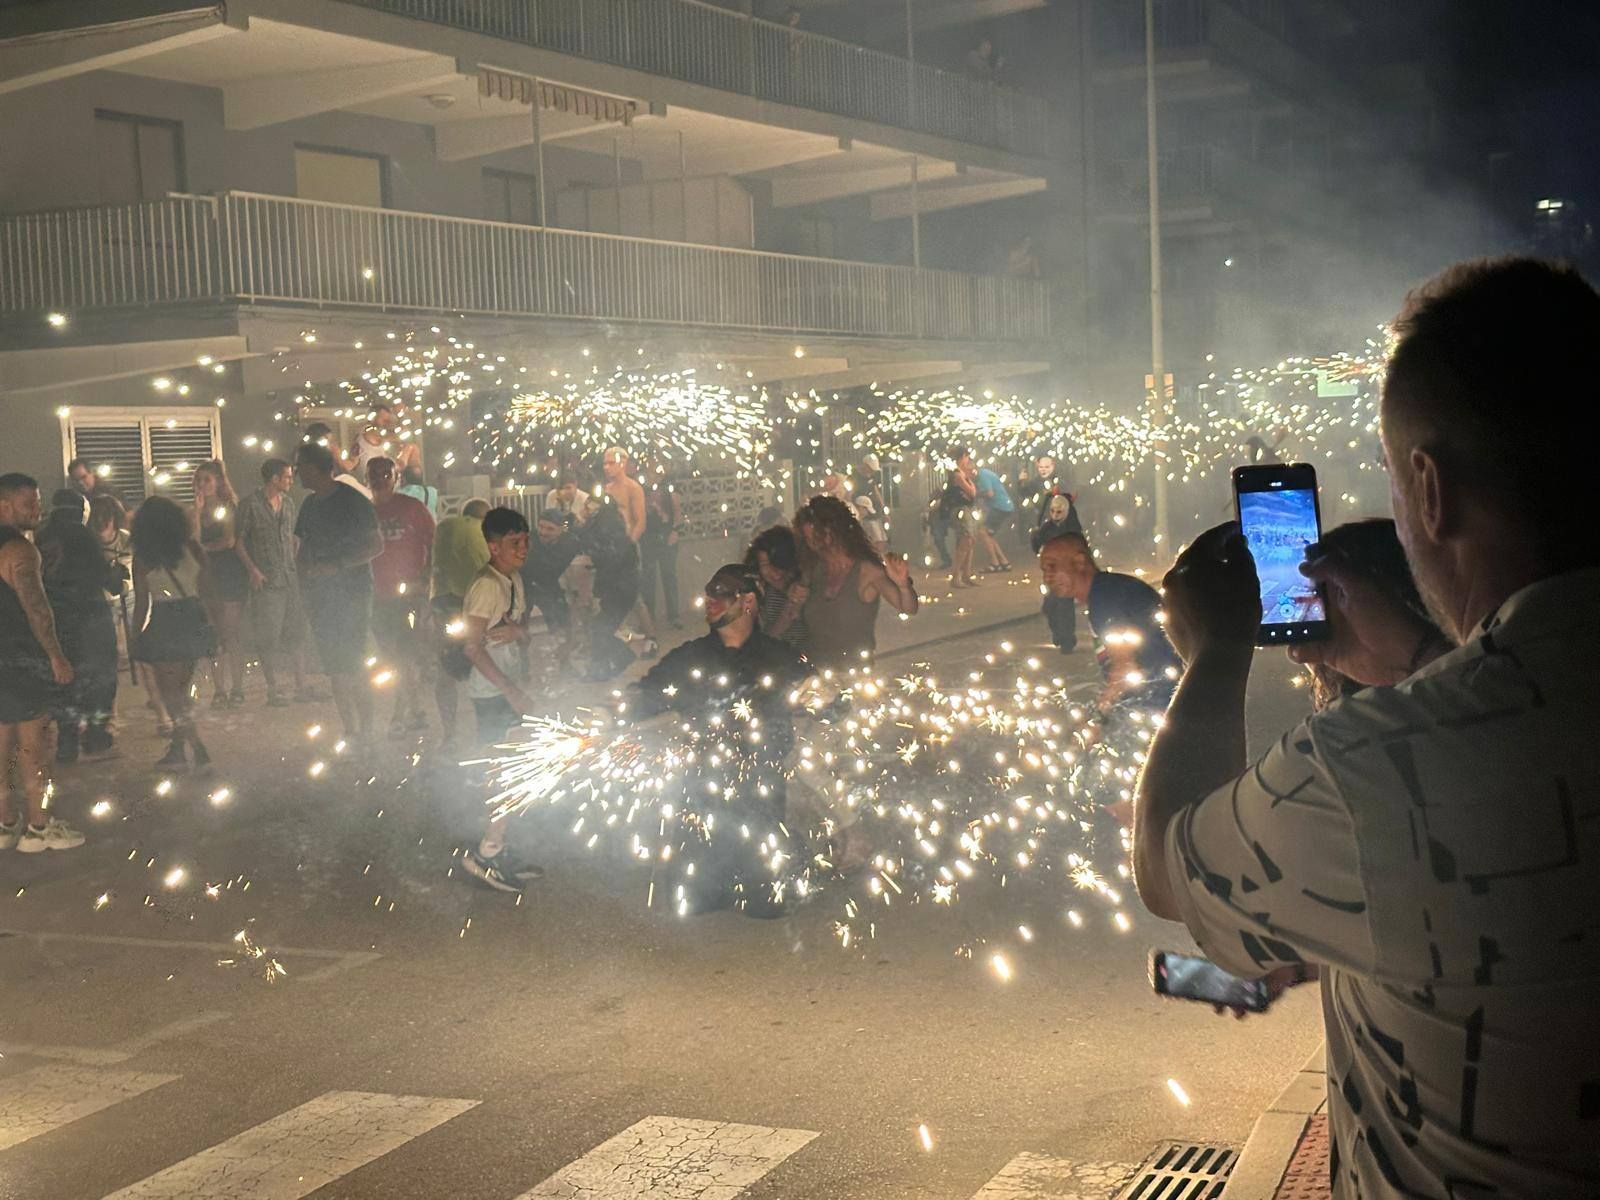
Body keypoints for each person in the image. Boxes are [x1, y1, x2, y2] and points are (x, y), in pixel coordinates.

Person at [1135, 258, 1600, 1199]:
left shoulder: (1378, 770)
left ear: (1430, 488)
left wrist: (1213, 649)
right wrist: (1418, 655)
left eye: (1392, 479)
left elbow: (1166, 865)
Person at [630, 563, 814, 916]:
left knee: (766, 907)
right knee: (694, 901)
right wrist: (615, 710)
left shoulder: (779, 657)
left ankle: (792, 854)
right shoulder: (691, 656)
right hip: (704, 790)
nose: (709, 600)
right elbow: (649, 693)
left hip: (760, 790)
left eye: (721, 592)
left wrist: (828, 699)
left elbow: (827, 700)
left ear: (748, 601)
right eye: (708, 592)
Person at [457, 507, 542, 893]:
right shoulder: (486, 586)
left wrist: (519, 635)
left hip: (506, 690)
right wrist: (511, 690)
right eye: (514, 542)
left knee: (515, 769)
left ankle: (498, 845)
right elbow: (471, 647)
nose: (523, 548)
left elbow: (520, 630)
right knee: (507, 770)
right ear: (493, 547)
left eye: (525, 541)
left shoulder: (513, 579)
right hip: (492, 693)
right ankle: (487, 853)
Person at [0, 473, 84, 853]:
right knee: (35, 743)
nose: (37, 509)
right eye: (28, 503)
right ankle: (39, 826)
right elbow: (37, 609)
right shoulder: (20, 551)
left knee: (2, 742)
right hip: (21, 658)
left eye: (37, 501)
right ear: (4, 505)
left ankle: (5, 823)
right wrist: (55, 655)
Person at [294, 441, 382, 744]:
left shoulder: (352, 501)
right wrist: (302, 578)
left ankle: (367, 730)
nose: (296, 473)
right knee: (335, 668)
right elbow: (302, 544)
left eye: (300, 467)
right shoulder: (309, 504)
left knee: (354, 663)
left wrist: (338, 566)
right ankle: (351, 730)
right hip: (321, 596)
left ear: (315, 469)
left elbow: (376, 545)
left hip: (352, 594)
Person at [1038, 532, 1178, 711]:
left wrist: (1099, 715)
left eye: (1052, 567)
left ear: (1079, 562)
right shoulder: (1108, 589)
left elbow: (1125, 668)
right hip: (1165, 695)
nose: (1047, 578)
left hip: (1161, 700)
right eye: (1044, 571)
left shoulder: (1105, 599)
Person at [129, 495, 216, 771]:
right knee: (181, 691)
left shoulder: (144, 558)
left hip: (165, 622)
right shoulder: (193, 548)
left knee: (171, 695)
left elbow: (142, 604)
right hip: (193, 618)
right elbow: (207, 590)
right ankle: (177, 751)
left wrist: (134, 636)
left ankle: (199, 750)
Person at [37, 489, 121, 762]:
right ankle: (96, 735)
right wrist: (116, 575)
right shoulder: (83, 535)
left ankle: (67, 741)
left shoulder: (42, 535)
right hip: (90, 617)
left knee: (64, 680)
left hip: (56, 618)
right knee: (100, 678)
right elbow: (105, 578)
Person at [792, 495, 917, 669]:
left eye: (818, 536)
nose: (814, 544)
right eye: (808, 539)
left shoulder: (867, 571)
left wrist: (903, 585)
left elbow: (908, 608)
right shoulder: (813, 569)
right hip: (813, 670)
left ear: (837, 531)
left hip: (853, 671)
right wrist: (795, 599)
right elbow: (796, 615)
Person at [235, 458, 312, 707]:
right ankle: (273, 688)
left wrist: (294, 551)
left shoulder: (288, 503)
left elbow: (291, 535)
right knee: (268, 636)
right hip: (267, 579)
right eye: (287, 477)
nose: (291, 481)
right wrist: (253, 570)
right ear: (274, 479)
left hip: (289, 576)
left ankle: (301, 686)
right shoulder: (250, 505)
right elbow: (239, 542)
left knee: (296, 632)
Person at [367, 456, 435, 737]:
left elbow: (434, 542)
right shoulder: (366, 512)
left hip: (409, 595)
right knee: (391, 655)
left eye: (386, 474)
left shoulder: (412, 508)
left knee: (403, 654)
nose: (380, 479)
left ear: (396, 478)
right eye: (375, 474)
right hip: (377, 596)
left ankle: (400, 713)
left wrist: (425, 579)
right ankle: (414, 708)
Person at [431, 498, 490, 744]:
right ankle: (489, 732)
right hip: (478, 613)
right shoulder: (486, 534)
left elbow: (434, 571)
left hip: (447, 609)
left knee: (445, 674)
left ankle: (449, 734)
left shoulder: (445, 529)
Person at [192, 460, 247, 708]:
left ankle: (238, 687)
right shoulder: (196, 511)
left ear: (218, 482)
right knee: (213, 634)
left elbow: (229, 540)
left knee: (230, 633)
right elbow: (193, 540)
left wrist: (205, 549)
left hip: (229, 573)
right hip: (207, 576)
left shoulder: (228, 507)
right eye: (199, 480)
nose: (202, 485)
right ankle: (219, 690)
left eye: (207, 480)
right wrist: (197, 512)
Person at [601, 447, 659, 657]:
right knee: (611, 594)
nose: (607, 467)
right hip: (609, 549)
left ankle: (651, 638)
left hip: (627, 549)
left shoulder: (633, 488)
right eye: (605, 463)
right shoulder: (606, 489)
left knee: (634, 596)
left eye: (611, 463)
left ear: (623, 463)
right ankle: (619, 640)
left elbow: (640, 522)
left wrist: (627, 546)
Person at [577, 497, 642, 681]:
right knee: (600, 628)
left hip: (620, 589)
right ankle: (606, 665)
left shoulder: (614, 537)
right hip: (620, 588)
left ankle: (612, 662)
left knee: (600, 628)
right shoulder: (613, 533)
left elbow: (610, 561)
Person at [1032, 493, 1086, 650]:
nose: (1055, 515)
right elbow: (1037, 546)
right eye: (1053, 511)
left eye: (1059, 512)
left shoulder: (1072, 529)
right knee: (1049, 607)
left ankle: (1067, 640)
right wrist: (1035, 539)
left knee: (1064, 607)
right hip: (1051, 574)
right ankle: (1059, 634)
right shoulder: (1047, 528)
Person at [523, 510, 580, 656]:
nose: (543, 532)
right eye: (541, 527)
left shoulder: (569, 543)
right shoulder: (529, 538)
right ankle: (521, 662)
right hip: (525, 585)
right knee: (519, 627)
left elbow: (551, 570)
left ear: (561, 529)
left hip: (549, 585)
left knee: (562, 624)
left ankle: (565, 660)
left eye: (550, 529)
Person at [745, 524, 806, 647]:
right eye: (765, 565)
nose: (774, 572)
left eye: (778, 563)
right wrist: (789, 609)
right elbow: (763, 643)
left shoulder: (810, 585)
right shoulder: (761, 598)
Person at [639, 466, 683, 629]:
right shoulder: (643, 491)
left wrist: (675, 531)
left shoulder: (670, 491)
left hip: (666, 536)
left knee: (669, 575)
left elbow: (677, 514)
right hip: (648, 537)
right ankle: (649, 616)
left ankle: (674, 615)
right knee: (648, 578)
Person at [940, 450, 981, 588]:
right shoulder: (957, 475)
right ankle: (956, 576)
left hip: (966, 509)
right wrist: (970, 481)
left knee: (970, 541)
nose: (968, 460)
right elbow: (972, 492)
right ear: (962, 457)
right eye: (967, 457)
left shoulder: (961, 474)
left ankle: (966, 575)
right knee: (966, 540)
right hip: (960, 511)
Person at [303, 422, 371, 498]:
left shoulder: (343, 480)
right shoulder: (343, 481)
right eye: (329, 441)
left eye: (332, 441)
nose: (334, 446)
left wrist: (353, 460)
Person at [349, 403, 419, 477]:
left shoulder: (379, 434)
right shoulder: (367, 432)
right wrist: (400, 416)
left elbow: (402, 436)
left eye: (387, 420)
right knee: (411, 448)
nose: (387, 423)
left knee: (411, 449)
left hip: (379, 471)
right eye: (384, 420)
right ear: (373, 417)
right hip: (374, 473)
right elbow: (398, 436)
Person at [972, 460, 1015, 573]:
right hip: (1003, 506)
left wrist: (975, 494)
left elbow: (990, 493)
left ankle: (995, 563)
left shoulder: (982, 476)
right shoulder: (984, 473)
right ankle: (1004, 562)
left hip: (999, 507)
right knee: (988, 535)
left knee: (982, 532)